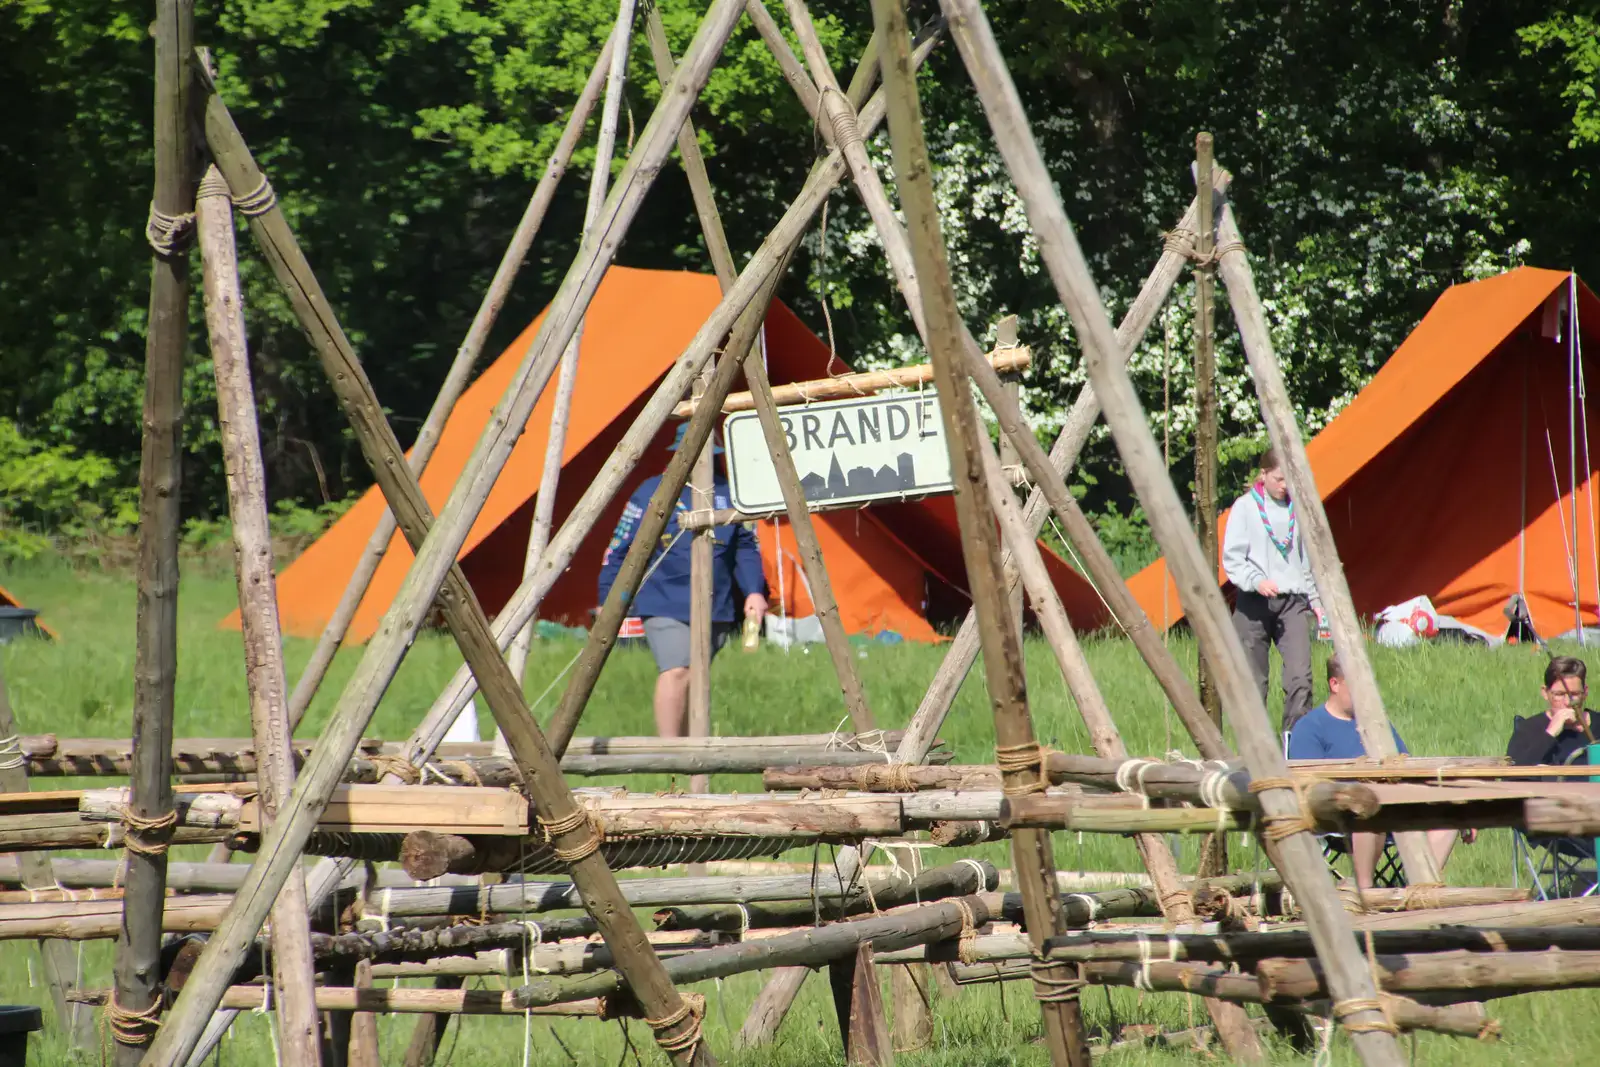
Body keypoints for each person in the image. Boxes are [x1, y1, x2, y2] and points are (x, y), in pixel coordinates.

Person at [597, 425, 768, 738]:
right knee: (676, 670)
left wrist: (754, 592)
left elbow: (746, 547)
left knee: (694, 678)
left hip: (716, 604)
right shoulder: (652, 492)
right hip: (663, 600)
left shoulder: (731, 494)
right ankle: (669, 750)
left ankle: (691, 752)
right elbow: (621, 547)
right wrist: (608, 596)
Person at [1288, 654, 1469, 889]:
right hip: (1342, 816)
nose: (1364, 692)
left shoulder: (1377, 724)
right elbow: (1308, 787)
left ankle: (1420, 891)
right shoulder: (1310, 728)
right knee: (1368, 807)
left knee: (1450, 815)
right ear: (1335, 684)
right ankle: (1366, 892)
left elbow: (1404, 766)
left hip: (1393, 807)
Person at [1223, 447, 1323, 736]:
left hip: (1292, 601)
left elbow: (1304, 560)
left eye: (1289, 479)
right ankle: (1258, 748)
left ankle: (1296, 746)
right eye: (1279, 479)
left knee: (1300, 678)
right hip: (1254, 603)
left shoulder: (1297, 509)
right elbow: (1233, 558)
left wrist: (1315, 600)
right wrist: (1256, 581)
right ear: (1263, 474)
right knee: (1254, 682)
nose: (1284, 486)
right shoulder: (1245, 508)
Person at [1507, 656, 1594, 767]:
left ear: (1585, 692)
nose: (1568, 702)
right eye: (1559, 694)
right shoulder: (1528, 729)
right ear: (1545, 693)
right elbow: (1513, 770)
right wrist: (1550, 733)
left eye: (1575, 694)